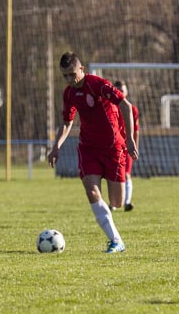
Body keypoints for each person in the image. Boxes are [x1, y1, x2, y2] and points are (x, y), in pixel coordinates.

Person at [48, 52, 138, 254]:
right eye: (65, 76)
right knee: (91, 190)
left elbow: (126, 105)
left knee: (117, 202)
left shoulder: (98, 84)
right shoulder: (69, 94)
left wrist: (130, 139)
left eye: (72, 74)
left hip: (113, 148)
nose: (69, 79)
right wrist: (56, 146)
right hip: (88, 148)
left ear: (81, 69)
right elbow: (67, 123)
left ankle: (111, 225)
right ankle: (116, 240)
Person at [114, 80, 140, 212]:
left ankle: (127, 202)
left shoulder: (132, 109)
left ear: (127, 92)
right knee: (114, 175)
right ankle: (114, 203)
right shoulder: (110, 107)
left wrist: (135, 145)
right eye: (117, 91)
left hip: (127, 146)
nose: (120, 93)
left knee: (127, 174)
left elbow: (136, 130)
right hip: (113, 146)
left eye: (122, 91)